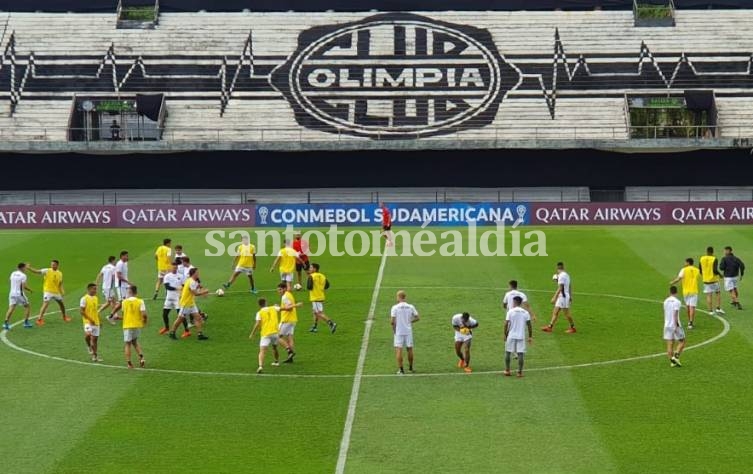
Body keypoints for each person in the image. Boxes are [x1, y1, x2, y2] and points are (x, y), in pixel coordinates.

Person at [169, 267, 209, 340]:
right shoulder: (191, 282)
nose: (198, 274)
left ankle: (200, 334)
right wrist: (204, 292)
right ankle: (172, 332)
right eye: (197, 273)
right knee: (180, 319)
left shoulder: (191, 280)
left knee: (198, 318)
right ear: (193, 274)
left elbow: (196, 287)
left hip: (191, 304)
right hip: (186, 304)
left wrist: (200, 288)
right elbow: (195, 293)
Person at [249, 298, 281, 374]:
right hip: (275, 333)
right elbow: (282, 308)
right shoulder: (273, 308)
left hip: (265, 334)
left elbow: (257, 324)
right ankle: (276, 361)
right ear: (266, 302)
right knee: (274, 347)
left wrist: (252, 333)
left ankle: (260, 366)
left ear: (259, 305)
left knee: (262, 351)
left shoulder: (259, 313)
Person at [390, 290, 419, 374]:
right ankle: (410, 368)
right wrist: (409, 321)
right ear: (405, 297)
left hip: (398, 331)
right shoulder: (410, 306)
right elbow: (417, 317)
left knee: (399, 349)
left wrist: (394, 329)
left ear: (398, 297)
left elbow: (392, 321)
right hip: (408, 331)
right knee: (409, 349)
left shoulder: (395, 307)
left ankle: (401, 370)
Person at [542, 262, 575, 333]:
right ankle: (550, 327)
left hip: (563, 296)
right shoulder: (567, 275)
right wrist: (571, 295)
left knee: (567, 314)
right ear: (563, 267)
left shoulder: (561, 276)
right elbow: (570, 286)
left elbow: (560, 287)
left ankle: (573, 328)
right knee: (555, 312)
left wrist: (554, 297)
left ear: (557, 268)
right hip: (563, 296)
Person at [504, 296, 533, 377]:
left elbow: (506, 324)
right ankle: (519, 372)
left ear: (515, 302)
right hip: (521, 336)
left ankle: (507, 370)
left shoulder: (510, 311)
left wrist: (505, 334)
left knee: (508, 352)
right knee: (521, 354)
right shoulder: (525, 313)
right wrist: (530, 337)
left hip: (511, 335)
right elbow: (529, 325)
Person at [36, 259, 70, 326]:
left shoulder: (60, 273)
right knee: (46, 303)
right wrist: (29, 268)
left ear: (57, 265)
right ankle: (39, 319)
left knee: (61, 304)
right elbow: (37, 272)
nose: (52, 265)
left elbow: (60, 283)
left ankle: (64, 316)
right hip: (48, 291)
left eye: (54, 264)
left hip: (56, 292)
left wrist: (62, 290)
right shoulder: (47, 270)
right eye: (51, 264)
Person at [670, 258, 701, 329]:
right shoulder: (697, 270)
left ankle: (689, 320)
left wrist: (672, 282)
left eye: (685, 262)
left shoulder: (684, 270)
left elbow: (679, 278)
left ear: (688, 263)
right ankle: (690, 322)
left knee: (687, 306)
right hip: (694, 290)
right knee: (692, 307)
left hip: (686, 291)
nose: (684, 263)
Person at [121, 285, 147, 369]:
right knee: (135, 342)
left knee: (128, 344)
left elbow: (124, 313)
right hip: (137, 325)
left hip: (127, 325)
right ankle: (141, 357)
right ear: (136, 292)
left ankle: (129, 363)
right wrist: (144, 321)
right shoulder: (140, 301)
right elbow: (144, 314)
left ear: (130, 292)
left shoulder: (124, 302)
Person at [306, 263, 336, 333]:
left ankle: (331, 323)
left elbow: (309, 287)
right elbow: (327, 285)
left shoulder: (311, 276)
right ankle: (314, 327)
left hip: (315, 297)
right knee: (314, 312)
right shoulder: (322, 275)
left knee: (319, 313)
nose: (309, 269)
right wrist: (320, 288)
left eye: (311, 268)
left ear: (314, 269)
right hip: (321, 296)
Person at [4, 263, 35, 330]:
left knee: (11, 307)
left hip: (12, 293)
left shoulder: (13, 273)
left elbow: (11, 282)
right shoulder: (23, 275)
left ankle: (6, 323)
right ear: (22, 268)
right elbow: (23, 286)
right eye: (25, 268)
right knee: (27, 306)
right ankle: (26, 323)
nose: (25, 269)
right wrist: (29, 289)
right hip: (19, 294)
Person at [277, 283, 302, 363]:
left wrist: (279, 309)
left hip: (286, 320)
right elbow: (290, 306)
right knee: (289, 338)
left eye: (280, 289)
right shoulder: (289, 294)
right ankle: (290, 358)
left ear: (284, 289)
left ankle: (289, 351)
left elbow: (289, 309)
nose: (279, 291)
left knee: (276, 336)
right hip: (293, 320)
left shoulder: (285, 297)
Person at [160, 260, 186, 335]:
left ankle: (187, 330)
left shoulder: (181, 276)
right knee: (165, 314)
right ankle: (166, 328)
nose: (174, 269)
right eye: (173, 268)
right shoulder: (167, 276)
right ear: (170, 268)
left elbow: (184, 286)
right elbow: (167, 287)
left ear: (177, 268)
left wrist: (182, 293)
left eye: (175, 268)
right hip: (169, 298)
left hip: (178, 298)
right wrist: (177, 288)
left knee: (180, 315)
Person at [663, 286, 685, 368]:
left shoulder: (665, 301)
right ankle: (676, 356)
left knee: (670, 343)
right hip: (675, 325)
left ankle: (672, 362)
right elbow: (675, 315)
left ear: (670, 292)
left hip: (667, 325)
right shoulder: (677, 302)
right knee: (682, 341)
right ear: (676, 292)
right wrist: (676, 326)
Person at [80, 283, 102, 362]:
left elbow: (96, 311)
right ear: (89, 289)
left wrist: (100, 320)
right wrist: (90, 319)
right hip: (87, 322)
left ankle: (95, 356)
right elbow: (82, 312)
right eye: (94, 289)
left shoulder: (96, 298)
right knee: (88, 335)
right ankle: (89, 346)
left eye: (96, 289)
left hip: (96, 322)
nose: (95, 290)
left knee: (95, 340)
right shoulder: (84, 298)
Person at [699, 246, 724, 315]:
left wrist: (704, 275)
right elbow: (714, 270)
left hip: (706, 280)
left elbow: (700, 270)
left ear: (706, 251)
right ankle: (718, 308)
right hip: (714, 279)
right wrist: (720, 275)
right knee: (718, 293)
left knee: (709, 295)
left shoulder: (702, 258)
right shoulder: (714, 259)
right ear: (712, 252)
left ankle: (710, 311)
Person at [108, 251, 130, 324]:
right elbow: (119, 276)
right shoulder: (120, 264)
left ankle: (114, 316)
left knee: (125, 302)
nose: (127, 257)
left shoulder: (125, 263)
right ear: (122, 256)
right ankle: (111, 316)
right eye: (126, 256)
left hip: (125, 285)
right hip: (121, 286)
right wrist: (128, 282)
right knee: (122, 302)